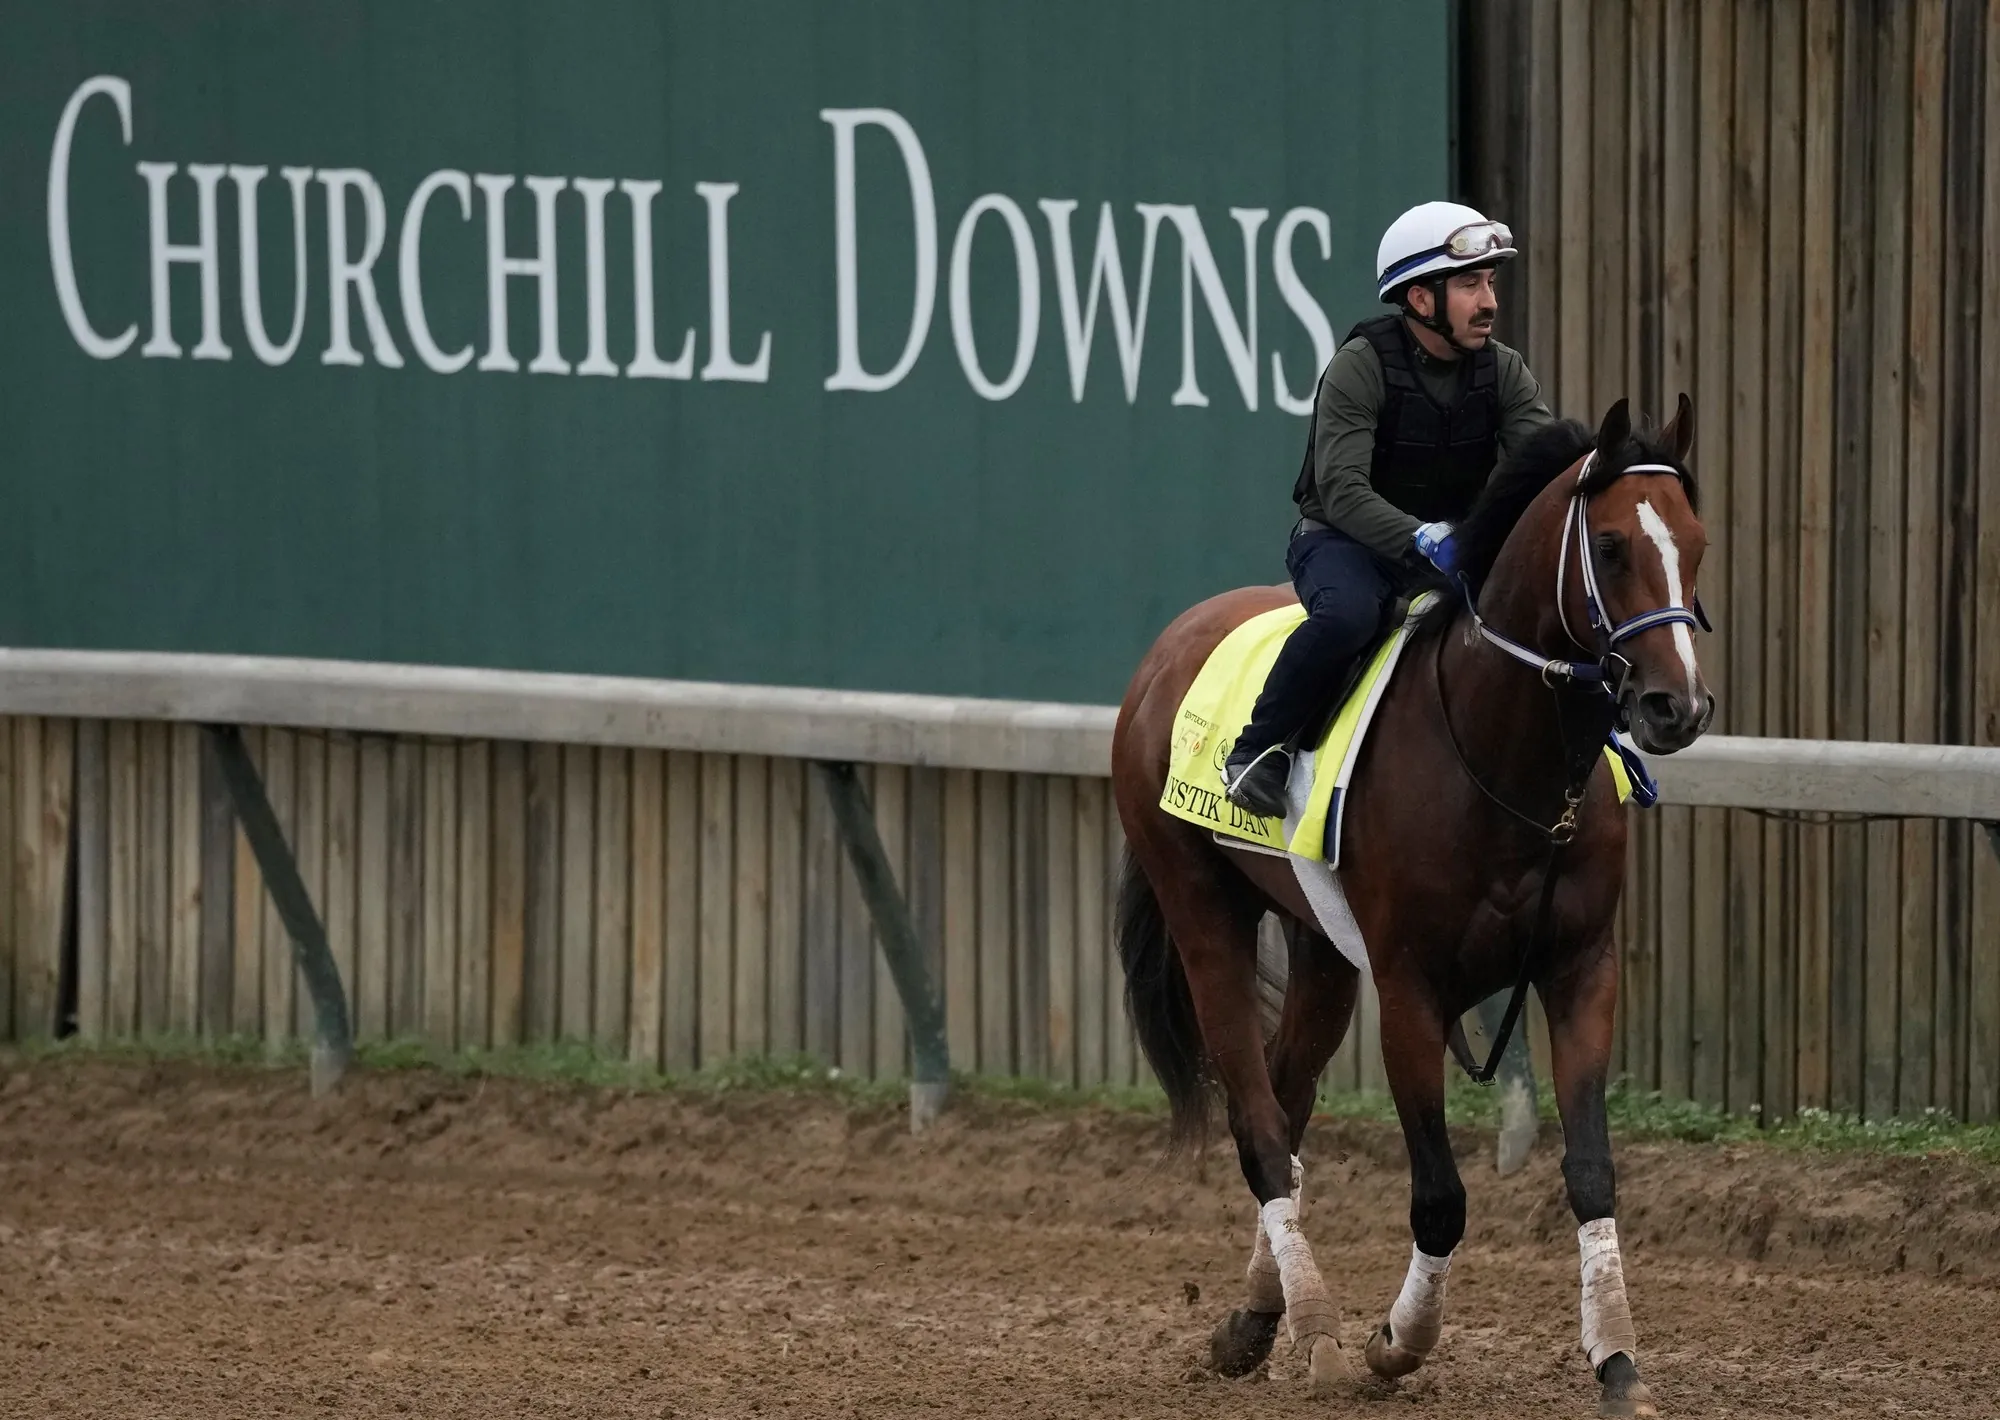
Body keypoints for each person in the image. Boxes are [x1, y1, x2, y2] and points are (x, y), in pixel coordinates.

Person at [1220, 200, 1555, 817]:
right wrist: (1425, 538)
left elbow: (1547, 464)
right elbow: (1342, 490)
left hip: (1449, 546)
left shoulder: (1504, 371)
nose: (1489, 302)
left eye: (1490, 281)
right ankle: (1255, 752)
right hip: (1346, 544)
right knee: (1349, 617)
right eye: (1468, 283)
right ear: (1420, 299)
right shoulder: (1360, 366)